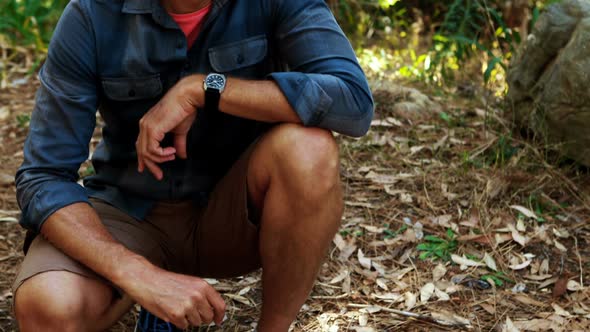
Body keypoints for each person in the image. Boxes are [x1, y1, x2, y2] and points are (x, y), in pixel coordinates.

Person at [12, 0, 374, 330]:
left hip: (235, 212)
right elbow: (44, 176)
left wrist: (203, 89)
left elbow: (353, 102)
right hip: (129, 210)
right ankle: (142, 288)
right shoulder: (92, 14)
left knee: (309, 149)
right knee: (47, 306)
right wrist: (134, 272)